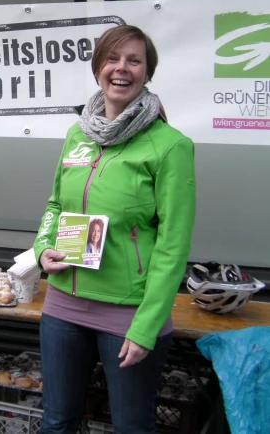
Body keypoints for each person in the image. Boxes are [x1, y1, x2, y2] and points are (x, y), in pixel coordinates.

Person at [33, 25, 196, 434]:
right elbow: (56, 204)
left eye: (134, 60)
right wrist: (42, 247)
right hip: (63, 303)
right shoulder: (78, 134)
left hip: (129, 311)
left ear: (146, 72)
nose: (121, 69)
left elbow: (173, 245)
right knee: (56, 422)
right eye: (113, 58)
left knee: (131, 428)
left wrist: (145, 327)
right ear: (98, 68)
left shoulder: (170, 146)